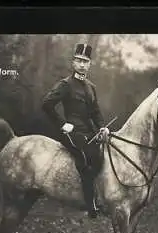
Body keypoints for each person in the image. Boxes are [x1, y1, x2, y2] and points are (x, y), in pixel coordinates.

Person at [42, 43, 110, 219]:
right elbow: (46, 104)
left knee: (102, 154)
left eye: (85, 61)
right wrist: (62, 123)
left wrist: (102, 126)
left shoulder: (91, 87)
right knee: (87, 156)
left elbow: (95, 112)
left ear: (89, 64)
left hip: (88, 132)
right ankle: (90, 205)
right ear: (73, 62)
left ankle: (101, 197)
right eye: (79, 60)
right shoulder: (65, 84)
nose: (81, 64)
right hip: (70, 132)